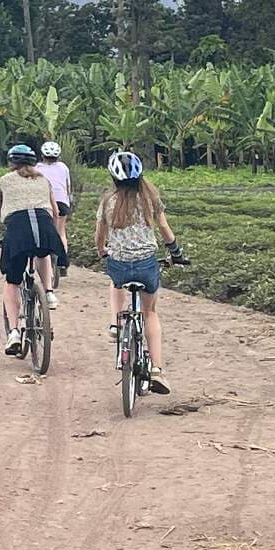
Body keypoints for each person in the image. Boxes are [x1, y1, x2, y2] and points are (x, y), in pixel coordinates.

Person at [95, 151, 187, 395]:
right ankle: (157, 370)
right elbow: (165, 230)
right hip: (147, 265)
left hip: (119, 265)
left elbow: (100, 235)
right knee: (150, 313)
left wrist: (102, 251)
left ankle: (116, 324)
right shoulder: (150, 199)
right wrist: (176, 252)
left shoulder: (107, 201)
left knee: (115, 282)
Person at [0, 144, 65, 356]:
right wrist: (53, 233)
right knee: (43, 252)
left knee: (12, 281)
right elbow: (56, 212)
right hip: (44, 223)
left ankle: (14, 333)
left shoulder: (4, 181)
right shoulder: (43, 180)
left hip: (18, 229)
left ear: (11, 162)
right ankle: (48, 292)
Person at [35, 141, 73, 276]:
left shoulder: (37, 168)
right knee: (61, 232)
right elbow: (68, 188)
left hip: (44, 204)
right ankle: (62, 262)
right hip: (62, 202)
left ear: (42, 155)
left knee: (42, 232)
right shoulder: (63, 167)